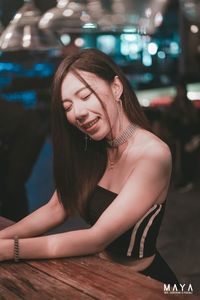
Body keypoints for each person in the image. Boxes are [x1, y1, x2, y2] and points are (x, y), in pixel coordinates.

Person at [0, 49, 179, 285]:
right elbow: (56, 208)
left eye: (85, 96)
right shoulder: (92, 149)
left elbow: (97, 238)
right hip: (99, 274)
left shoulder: (154, 154)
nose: (78, 113)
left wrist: (8, 250)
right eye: (67, 107)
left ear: (116, 88)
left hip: (146, 283)